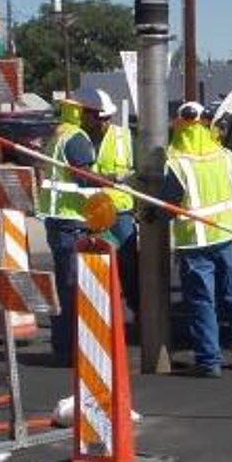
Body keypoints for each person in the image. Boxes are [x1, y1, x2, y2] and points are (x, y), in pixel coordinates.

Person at [162, 101, 232, 377]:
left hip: (195, 243)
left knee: (203, 302)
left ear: (180, 125)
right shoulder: (227, 156)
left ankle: (209, 361)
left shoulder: (177, 164)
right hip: (225, 236)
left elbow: (169, 205)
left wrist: (149, 215)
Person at [40, 93, 100, 366]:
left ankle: (62, 345)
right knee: (73, 287)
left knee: (65, 285)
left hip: (57, 220)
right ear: (80, 114)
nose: (96, 118)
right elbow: (84, 179)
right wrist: (111, 182)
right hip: (71, 220)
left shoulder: (56, 136)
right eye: (91, 113)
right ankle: (72, 350)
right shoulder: (76, 138)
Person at [76, 84, 139, 311]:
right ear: (84, 115)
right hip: (90, 214)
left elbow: (138, 174)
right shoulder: (77, 138)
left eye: (107, 117)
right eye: (99, 117)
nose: (104, 122)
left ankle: (138, 312)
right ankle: (101, 315)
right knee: (95, 269)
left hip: (120, 213)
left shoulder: (124, 136)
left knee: (128, 269)